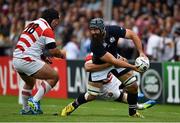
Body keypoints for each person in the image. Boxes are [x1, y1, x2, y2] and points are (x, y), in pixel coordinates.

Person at [61, 18, 147, 118]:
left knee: (133, 86)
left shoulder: (113, 30)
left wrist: (141, 52)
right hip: (100, 66)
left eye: (95, 29)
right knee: (92, 95)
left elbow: (132, 35)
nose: (93, 32)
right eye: (91, 29)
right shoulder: (94, 44)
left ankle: (133, 113)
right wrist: (133, 67)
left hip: (114, 60)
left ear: (102, 29)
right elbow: (113, 62)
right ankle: (72, 106)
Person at [12, 9, 65, 115]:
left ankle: (26, 109)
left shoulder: (32, 24)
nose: (57, 23)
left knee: (29, 82)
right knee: (54, 76)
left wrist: (42, 56)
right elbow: (53, 51)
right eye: (56, 20)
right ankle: (34, 101)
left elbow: (31, 43)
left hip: (16, 59)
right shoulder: (47, 29)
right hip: (27, 59)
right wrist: (61, 54)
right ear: (50, 19)